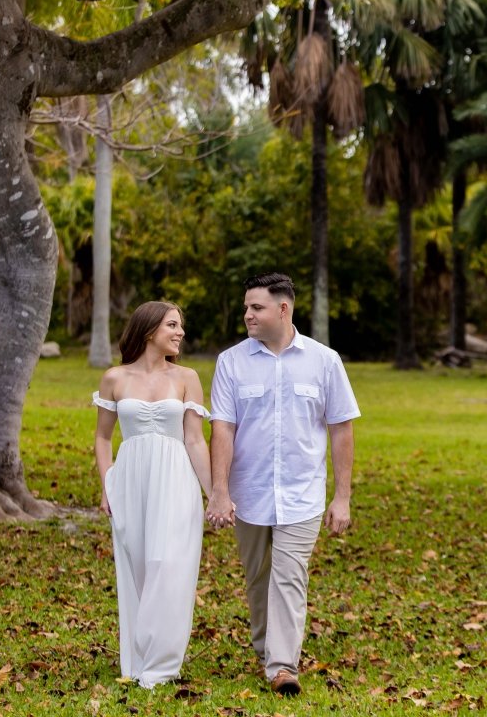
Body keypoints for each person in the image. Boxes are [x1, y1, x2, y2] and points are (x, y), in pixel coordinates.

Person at [205, 272, 360, 695]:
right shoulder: (231, 362)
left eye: (256, 307)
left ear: (283, 309)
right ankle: (265, 648)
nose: (248, 315)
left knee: (289, 576)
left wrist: (342, 497)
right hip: (249, 493)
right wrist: (219, 490)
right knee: (258, 578)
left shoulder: (325, 361)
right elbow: (223, 429)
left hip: (302, 493)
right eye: (246, 308)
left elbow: (341, 429)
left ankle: (281, 666)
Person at [92, 301, 215, 688]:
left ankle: (162, 665)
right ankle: (138, 658)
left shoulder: (187, 378)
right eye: (173, 325)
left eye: (181, 326)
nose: (180, 332)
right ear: (149, 331)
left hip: (175, 477)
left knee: (170, 565)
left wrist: (214, 494)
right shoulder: (114, 378)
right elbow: (102, 437)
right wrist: (106, 484)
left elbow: (195, 440)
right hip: (129, 479)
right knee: (138, 566)